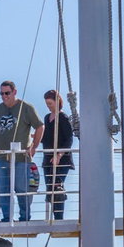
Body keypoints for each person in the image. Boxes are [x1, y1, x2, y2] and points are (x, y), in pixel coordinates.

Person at [0, 80, 44, 222]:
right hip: (2, 158)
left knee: (23, 191)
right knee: (3, 191)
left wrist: (34, 146)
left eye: (7, 93)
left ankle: (24, 218)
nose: (4, 96)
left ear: (14, 92)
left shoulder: (26, 108)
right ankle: (7, 218)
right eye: (1, 93)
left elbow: (40, 126)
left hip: (22, 159)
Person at [38, 90, 74, 221]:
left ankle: (59, 218)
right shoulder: (47, 118)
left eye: (50, 103)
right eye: (47, 104)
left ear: (57, 101)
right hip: (48, 158)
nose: (49, 106)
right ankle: (55, 217)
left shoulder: (63, 118)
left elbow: (69, 139)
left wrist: (59, 155)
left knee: (57, 186)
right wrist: (33, 138)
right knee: (50, 188)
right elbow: (46, 137)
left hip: (62, 159)